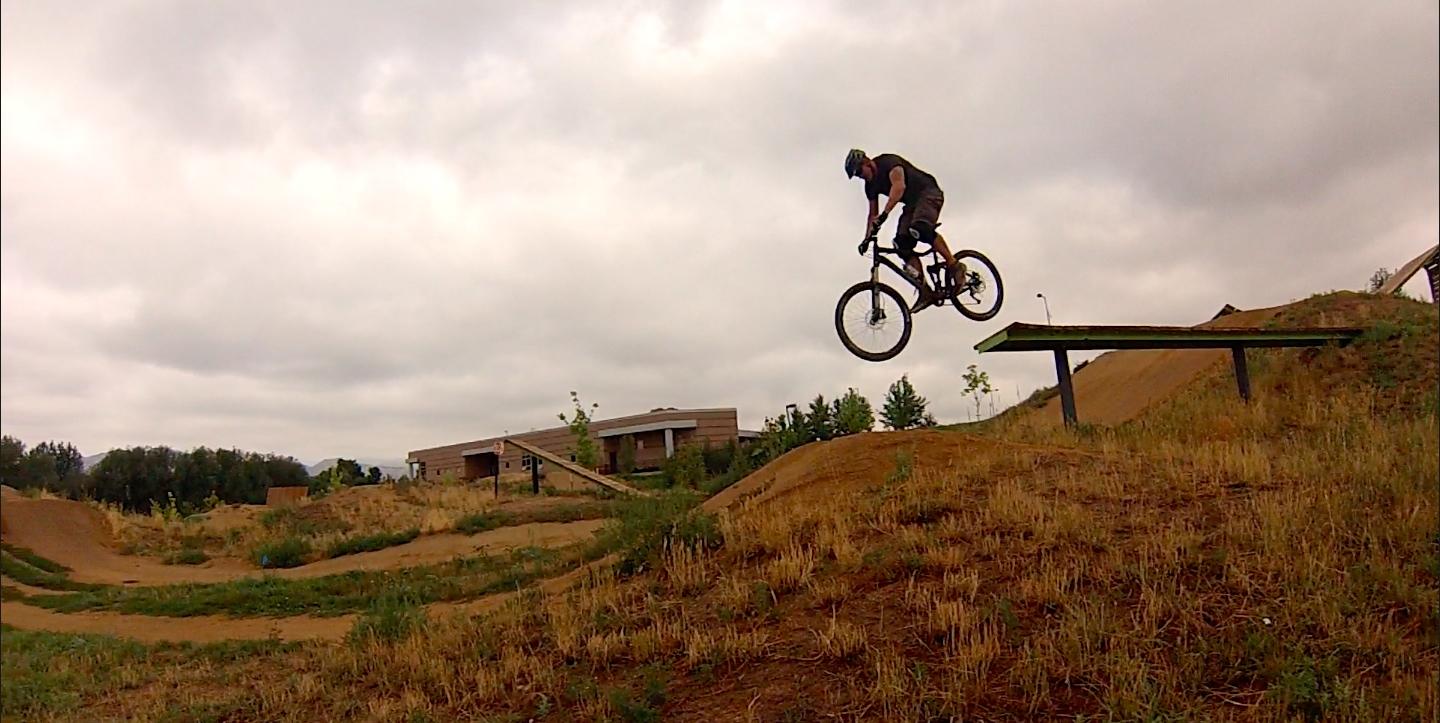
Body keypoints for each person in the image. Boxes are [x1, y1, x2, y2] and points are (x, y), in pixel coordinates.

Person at [845, 148, 963, 312]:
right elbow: (872, 214)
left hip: (928, 193)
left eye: (860, 171)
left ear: (867, 162)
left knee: (920, 229)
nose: (861, 176)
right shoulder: (870, 187)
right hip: (912, 204)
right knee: (901, 244)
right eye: (857, 175)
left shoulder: (888, 162)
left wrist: (885, 213)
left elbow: (898, 187)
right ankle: (924, 290)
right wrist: (866, 239)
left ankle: (954, 264)